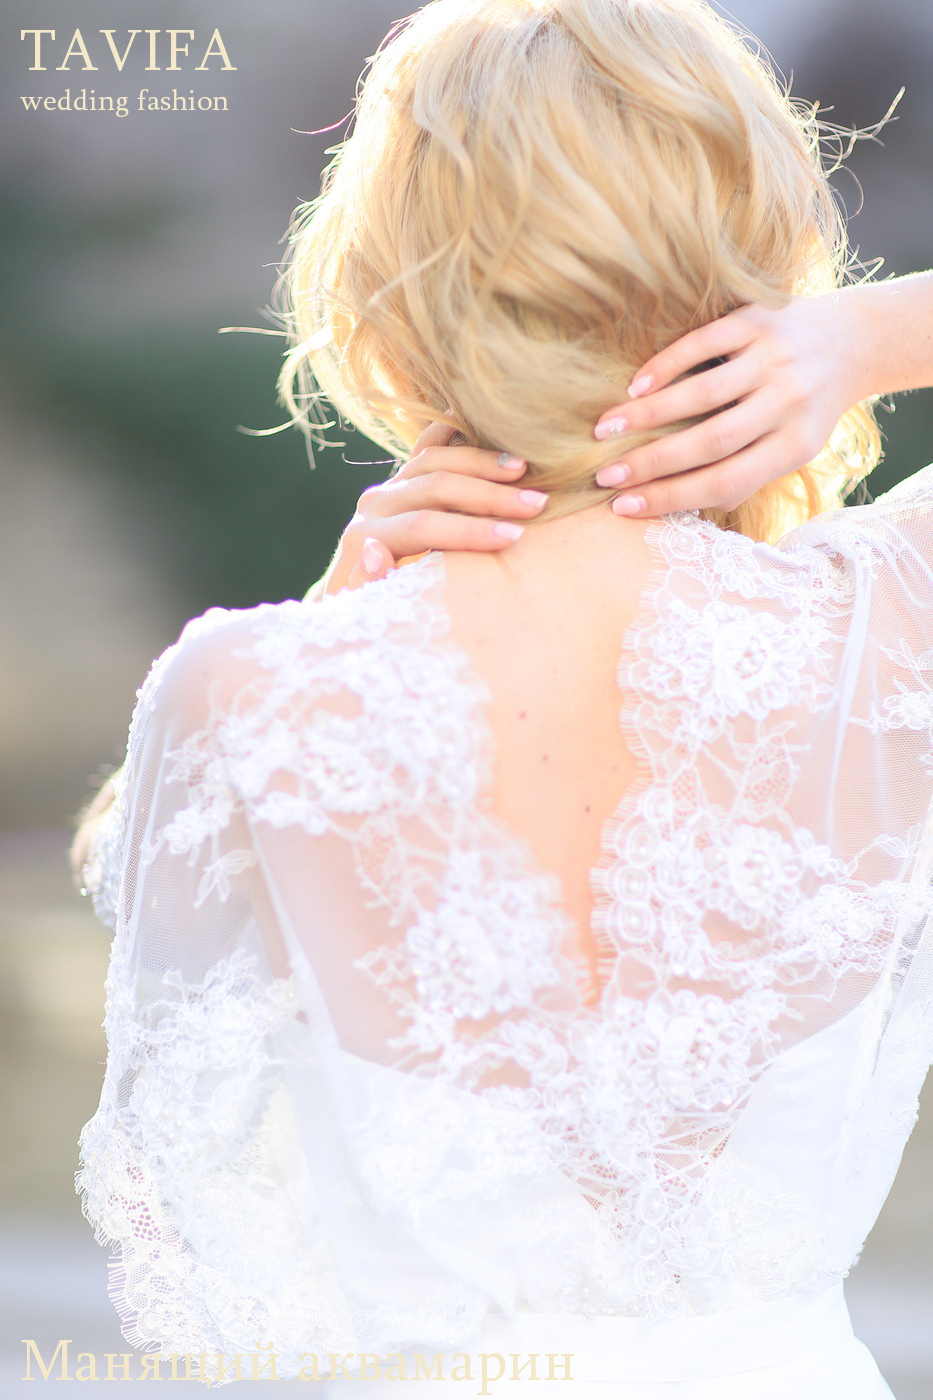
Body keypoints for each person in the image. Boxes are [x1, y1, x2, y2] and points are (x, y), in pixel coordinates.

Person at [73, 1, 933, 1395]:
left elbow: (151, 952)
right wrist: (872, 337)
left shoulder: (246, 692)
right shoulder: (888, 632)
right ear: (762, 272)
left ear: (388, 310)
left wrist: (324, 627)